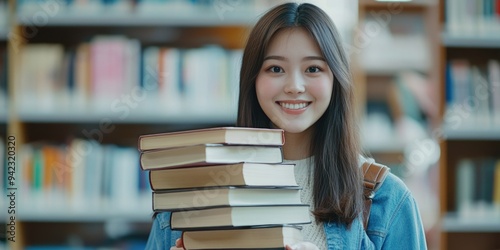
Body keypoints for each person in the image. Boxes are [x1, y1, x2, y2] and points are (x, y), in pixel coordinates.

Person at [145, 2, 427, 249]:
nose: (294, 86)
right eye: (275, 69)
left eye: (313, 69)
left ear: (336, 80)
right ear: (252, 80)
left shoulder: (389, 202)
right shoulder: (193, 198)